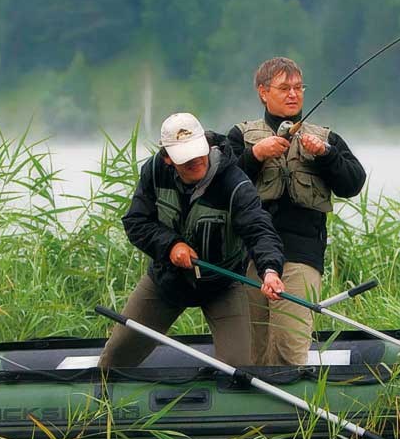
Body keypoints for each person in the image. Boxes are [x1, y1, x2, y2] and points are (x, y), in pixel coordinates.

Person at [98, 112, 286, 370]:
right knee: (115, 358)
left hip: (223, 284)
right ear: (167, 159)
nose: (195, 161)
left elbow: (259, 229)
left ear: (207, 145)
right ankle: (102, 405)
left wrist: (270, 270)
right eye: (185, 157)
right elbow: (136, 222)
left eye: (198, 152)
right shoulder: (154, 172)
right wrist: (171, 245)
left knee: (237, 369)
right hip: (166, 280)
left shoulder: (235, 183)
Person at [227, 57, 366, 366]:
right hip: (249, 257)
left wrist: (327, 156)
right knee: (253, 349)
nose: (293, 94)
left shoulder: (327, 138)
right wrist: (254, 155)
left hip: (301, 256)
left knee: (289, 348)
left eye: (298, 87)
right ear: (263, 92)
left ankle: (293, 410)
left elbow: (353, 183)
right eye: (284, 87)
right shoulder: (240, 136)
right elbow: (220, 183)